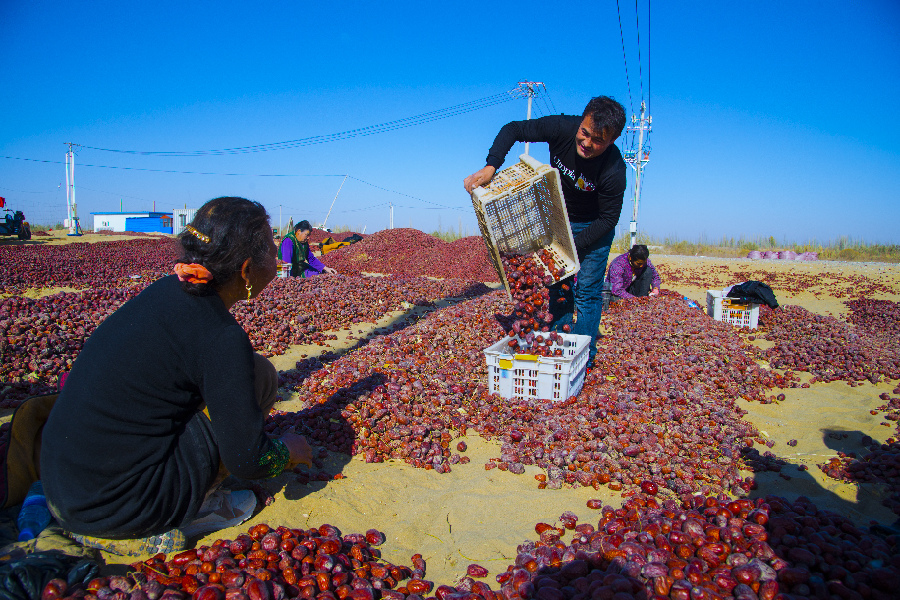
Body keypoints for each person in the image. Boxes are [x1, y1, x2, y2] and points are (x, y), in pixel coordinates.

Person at [40, 197, 313, 557]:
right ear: (246, 271)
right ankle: (188, 508)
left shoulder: (167, 290)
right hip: (114, 506)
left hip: (65, 481)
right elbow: (247, 461)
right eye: (270, 249)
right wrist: (288, 452)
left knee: (256, 373)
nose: (277, 258)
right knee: (252, 388)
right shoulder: (219, 336)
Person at [464, 96, 627, 367]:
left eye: (597, 141)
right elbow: (513, 129)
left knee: (586, 290)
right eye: (584, 133)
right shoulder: (562, 128)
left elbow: (608, 219)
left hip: (593, 226)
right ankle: (559, 344)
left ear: (612, 140)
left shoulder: (614, 169)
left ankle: (584, 356)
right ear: (581, 121)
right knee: (558, 283)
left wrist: (572, 245)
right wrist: (492, 164)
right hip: (558, 216)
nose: (586, 143)